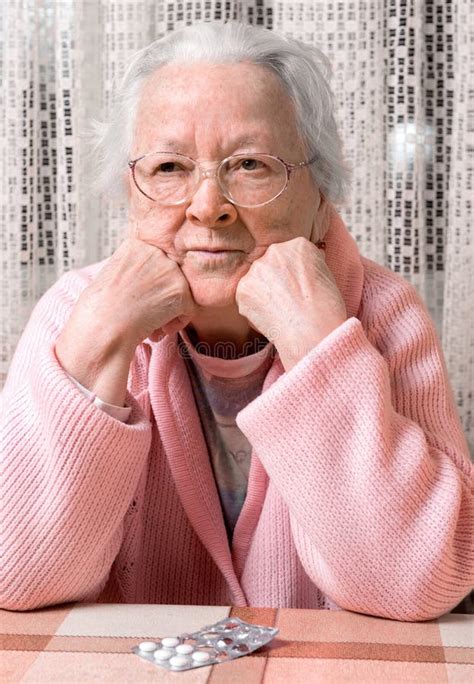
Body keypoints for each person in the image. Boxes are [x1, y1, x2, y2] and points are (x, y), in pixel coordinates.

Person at [1, 22, 472, 621]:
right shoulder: (74, 311)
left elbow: (418, 585)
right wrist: (96, 342)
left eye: (250, 164)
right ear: (129, 190)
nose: (206, 206)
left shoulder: (382, 311)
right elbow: (17, 575)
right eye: (169, 168)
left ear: (320, 192)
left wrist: (320, 347)